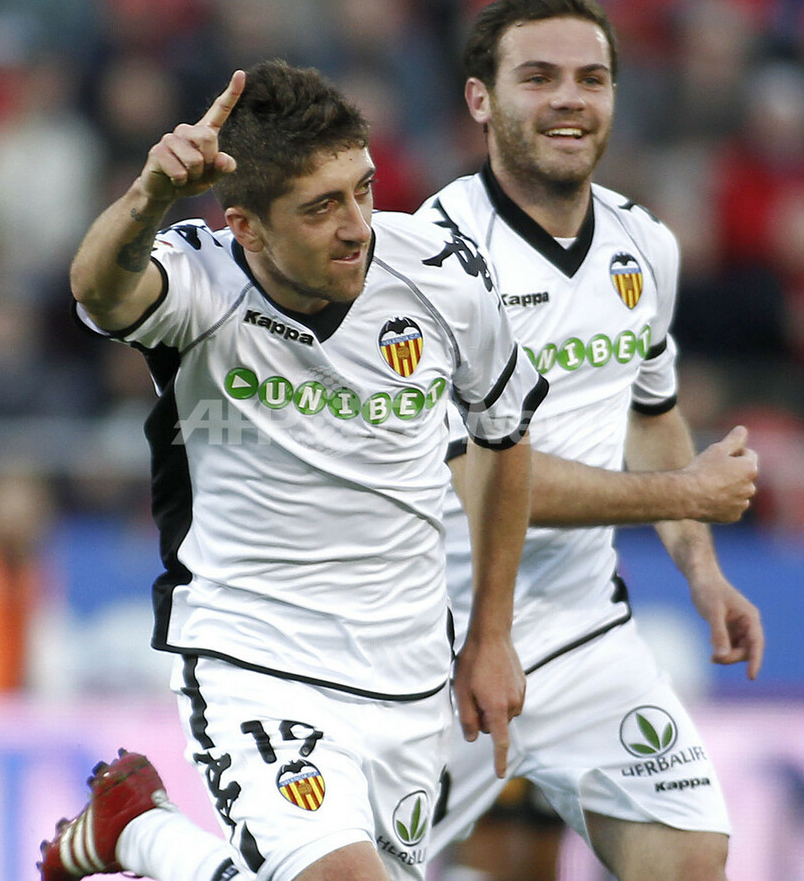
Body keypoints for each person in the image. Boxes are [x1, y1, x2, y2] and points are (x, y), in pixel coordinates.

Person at [39, 60, 547, 881]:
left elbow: (506, 434)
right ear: (246, 226)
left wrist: (492, 634)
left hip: (411, 675)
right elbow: (98, 292)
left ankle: (137, 829)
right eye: (321, 207)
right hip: (256, 658)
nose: (357, 226)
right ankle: (138, 831)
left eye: (363, 190)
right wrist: (150, 194)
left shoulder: (442, 274)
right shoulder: (199, 282)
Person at [415, 0, 764, 881]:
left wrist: (700, 570)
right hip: (428, 640)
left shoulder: (644, 244)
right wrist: (686, 493)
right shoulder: (432, 261)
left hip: (582, 632)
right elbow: (484, 480)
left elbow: (651, 415)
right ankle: (139, 836)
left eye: (591, 79)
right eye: (538, 77)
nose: (569, 98)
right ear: (481, 100)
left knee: (689, 855)